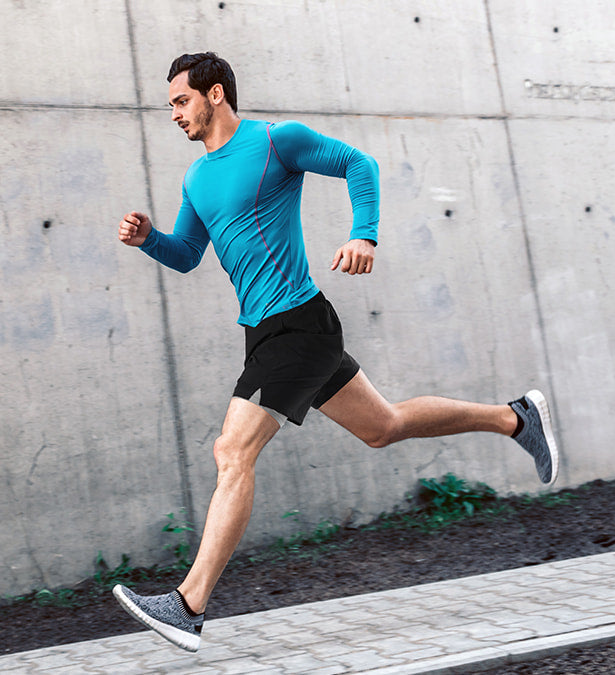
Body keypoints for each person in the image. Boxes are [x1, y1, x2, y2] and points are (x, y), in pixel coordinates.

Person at [113, 52, 559, 652]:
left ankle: (189, 605)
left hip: (299, 325)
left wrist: (363, 232)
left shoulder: (276, 142)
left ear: (215, 93)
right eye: (171, 104)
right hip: (268, 333)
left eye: (181, 100)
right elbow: (188, 253)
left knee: (232, 451)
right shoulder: (197, 178)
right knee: (384, 426)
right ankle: (516, 418)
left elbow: (359, 164)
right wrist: (150, 242)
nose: (174, 113)